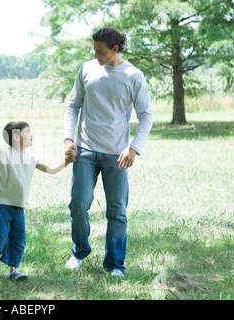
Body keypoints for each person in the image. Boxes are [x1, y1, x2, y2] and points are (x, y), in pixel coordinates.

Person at [63, 27, 153, 277]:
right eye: (93, 50)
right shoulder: (87, 69)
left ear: (115, 49)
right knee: (78, 204)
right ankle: (79, 251)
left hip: (117, 155)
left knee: (117, 211)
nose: (96, 56)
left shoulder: (133, 75)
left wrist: (134, 148)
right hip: (86, 150)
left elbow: (146, 115)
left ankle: (114, 264)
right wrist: (68, 139)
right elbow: (72, 106)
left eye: (101, 51)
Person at [0, 121, 71, 280]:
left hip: (19, 207)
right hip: (1, 205)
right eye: (28, 131)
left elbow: (51, 170)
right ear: (16, 136)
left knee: (18, 240)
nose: (32, 135)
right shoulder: (4, 153)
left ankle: (13, 270)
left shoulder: (32, 158)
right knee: (0, 236)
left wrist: (67, 162)